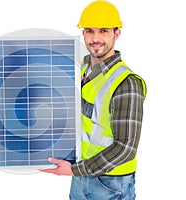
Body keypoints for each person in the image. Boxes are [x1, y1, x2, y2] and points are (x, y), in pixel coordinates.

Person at [40, 0, 147, 199]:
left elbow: (125, 148)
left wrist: (75, 170)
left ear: (117, 34)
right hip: (81, 173)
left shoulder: (126, 83)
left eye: (103, 31)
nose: (95, 38)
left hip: (110, 182)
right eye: (89, 30)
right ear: (83, 33)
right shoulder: (82, 67)